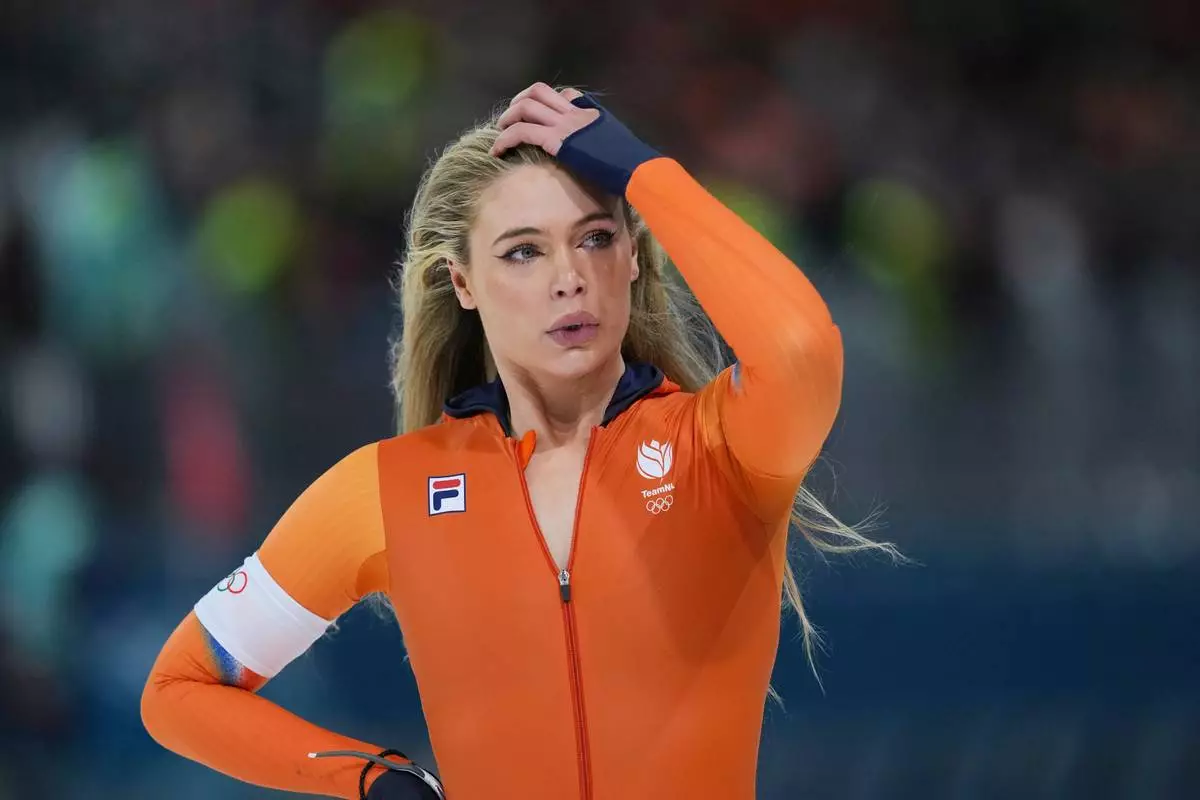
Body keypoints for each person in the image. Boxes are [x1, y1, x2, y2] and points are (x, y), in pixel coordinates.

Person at [141, 83, 895, 800]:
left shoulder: (720, 446)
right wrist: (368, 778)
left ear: (633, 257)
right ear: (462, 283)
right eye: (523, 251)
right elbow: (178, 691)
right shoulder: (387, 490)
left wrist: (643, 175)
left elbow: (801, 350)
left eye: (595, 239)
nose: (569, 277)